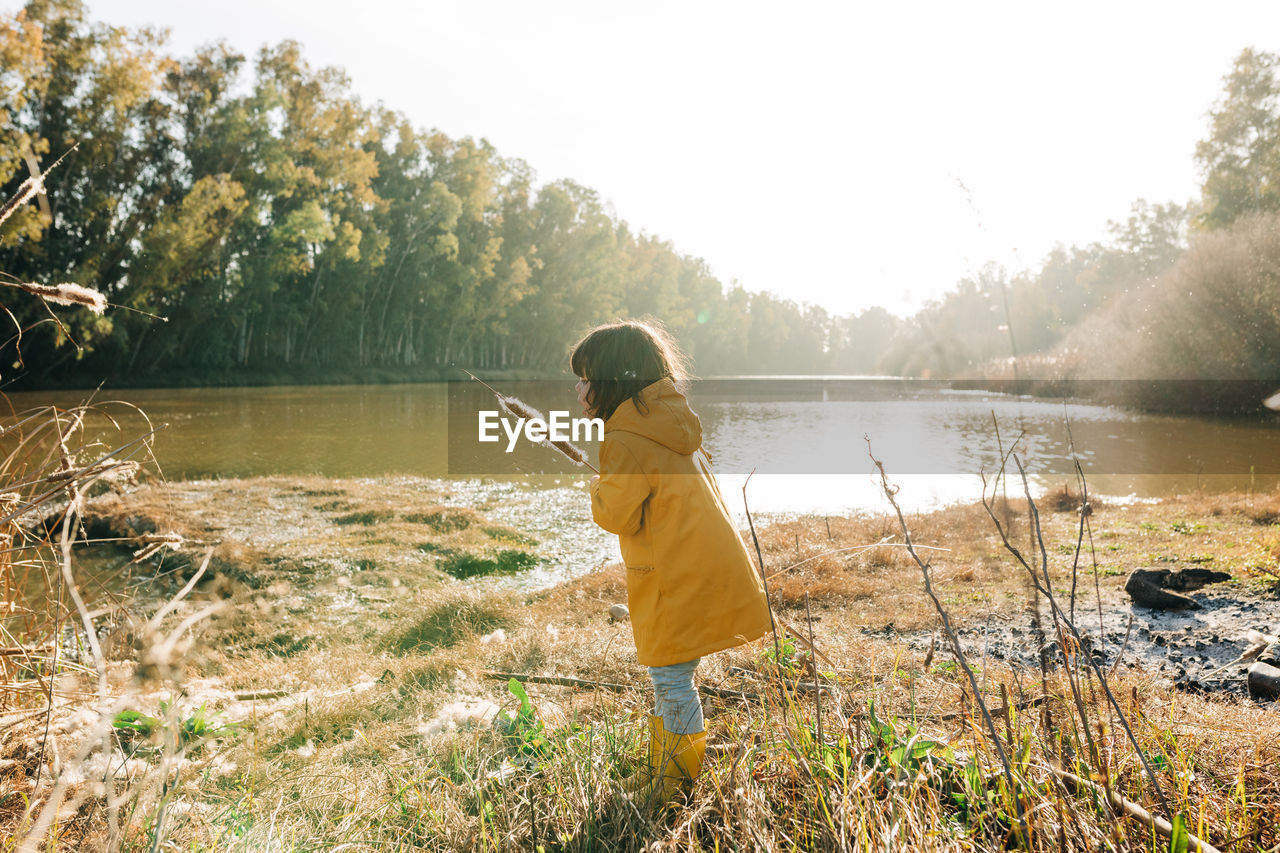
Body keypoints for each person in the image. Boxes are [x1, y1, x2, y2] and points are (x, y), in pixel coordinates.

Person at [570, 319, 772, 804]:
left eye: (584, 378)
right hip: (699, 569)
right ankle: (666, 771)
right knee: (672, 677)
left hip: (673, 579)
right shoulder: (671, 425)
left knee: (672, 681)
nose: (579, 389)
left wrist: (596, 486)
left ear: (610, 381)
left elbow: (616, 514)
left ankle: (676, 787)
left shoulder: (624, 440)